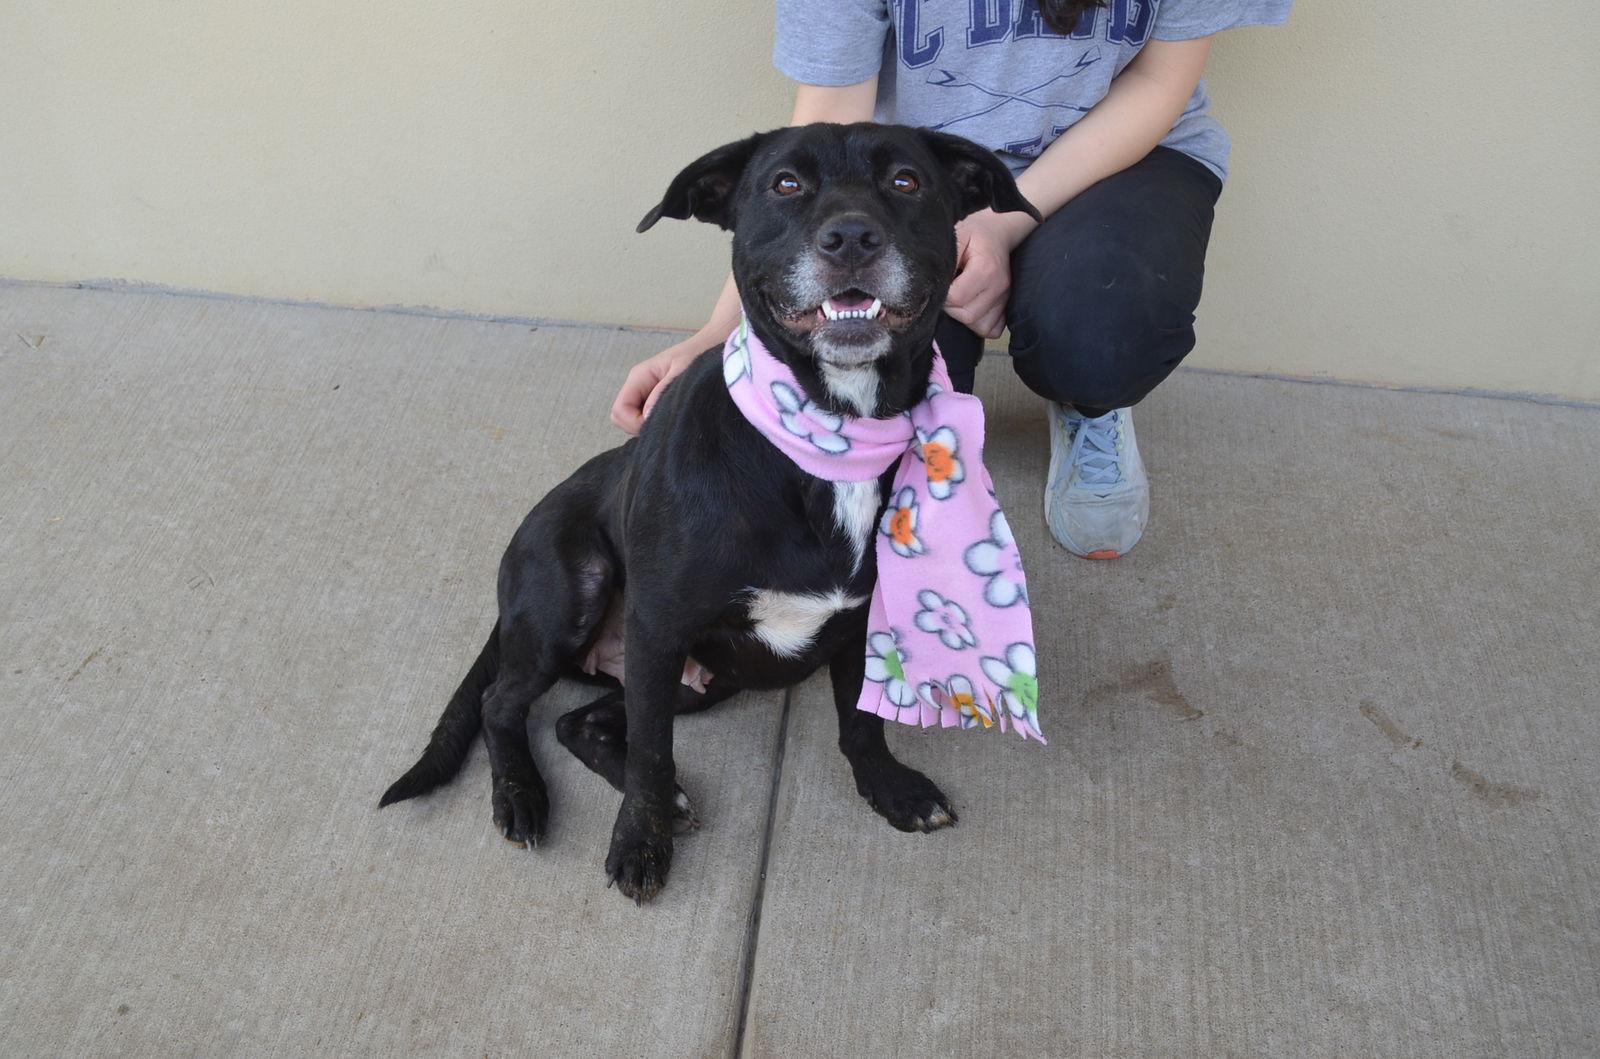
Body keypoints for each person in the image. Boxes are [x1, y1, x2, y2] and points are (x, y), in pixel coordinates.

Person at [612, 0, 1292, 559]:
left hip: (1123, 160)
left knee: (1104, 328)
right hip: (904, 184)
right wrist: (719, 333)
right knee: (882, 375)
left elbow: (1158, 86)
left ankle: (1091, 403)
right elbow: (824, 117)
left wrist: (1000, 224)